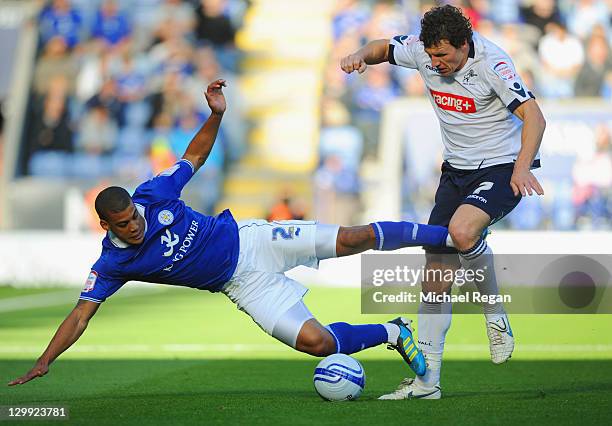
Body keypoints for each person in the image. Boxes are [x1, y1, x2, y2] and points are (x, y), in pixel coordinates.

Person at [9, 79, 459, 387]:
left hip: (253, 239)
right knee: (316, 343)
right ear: (106, 227)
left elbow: (194, 157)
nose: (136, 223)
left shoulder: (153, 194)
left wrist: (216, 115)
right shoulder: (112, 264)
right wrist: (45, 360)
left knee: (353, 237)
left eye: (134, 214)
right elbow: (80, 315)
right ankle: (393, 331)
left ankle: (445, 236)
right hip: (240, 283)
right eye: (125, 223)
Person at [341, 5, 546, 399]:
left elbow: (534, 116)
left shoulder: (493, 65)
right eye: (431, 56)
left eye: (444, 56)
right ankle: (427, 382)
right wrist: (358, 56)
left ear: (465, 44)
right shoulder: (422, 51)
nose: (436, 64)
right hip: (456, 172)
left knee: (462, 230)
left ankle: (494, 312)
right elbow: (381, 48)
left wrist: (522, 168)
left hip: (502, 167)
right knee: (435, 275)